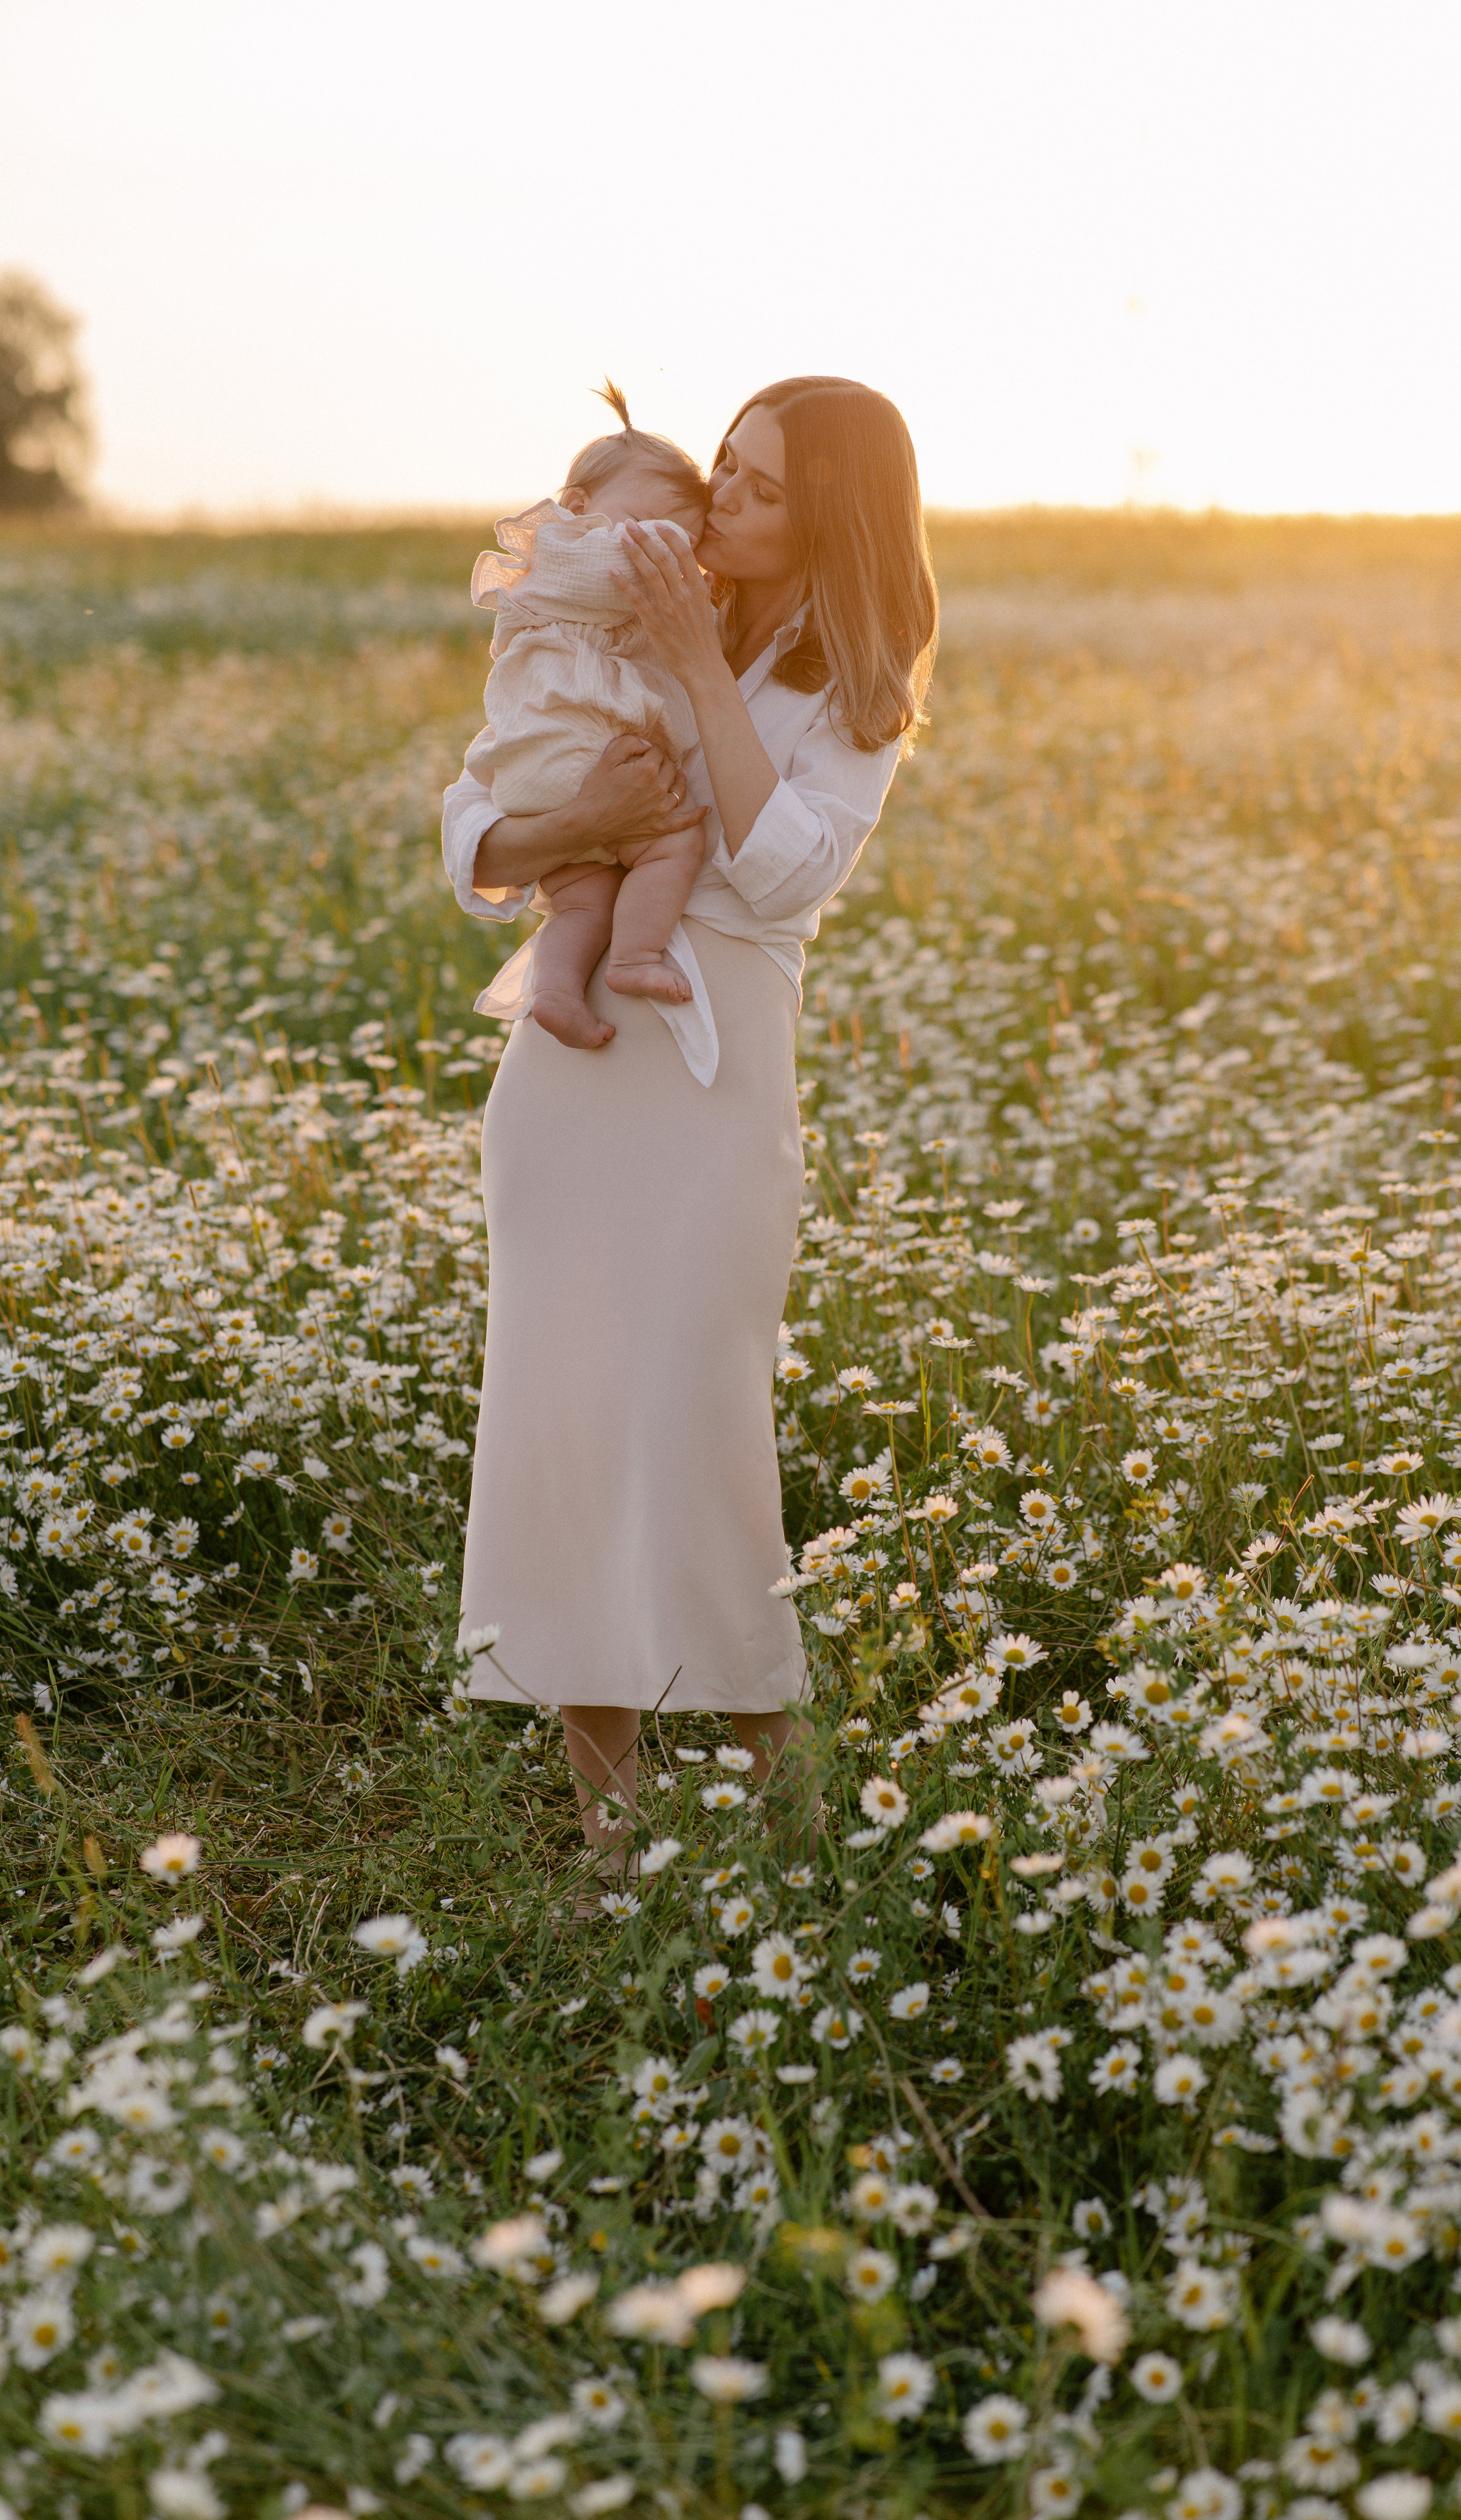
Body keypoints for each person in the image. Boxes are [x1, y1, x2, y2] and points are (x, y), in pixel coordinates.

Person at [440, 376, 938, 1882]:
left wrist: (691, 674)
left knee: (696, 1427)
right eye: (724, 465)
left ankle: (776, 1832)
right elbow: (475, 831)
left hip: (714, 1085)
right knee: (565, 1423)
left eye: (765, 486)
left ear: (834, 517)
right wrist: (575, 814)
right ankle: (612, 1830)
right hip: (568, 1068)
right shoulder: (624, 609)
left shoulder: (855, 684)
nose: (724, 497)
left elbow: (781, 872)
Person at [467, 388, 715, 1055]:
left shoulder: (591, 575)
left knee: (583, 898)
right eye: (650, 526)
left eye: (689, 544)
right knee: (672, 844)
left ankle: (553, 991)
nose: (674, 555)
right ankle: (634, 956)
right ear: (577, 506)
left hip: (538, 774)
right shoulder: (561, 552)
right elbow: (612, 579)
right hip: (578, 755)